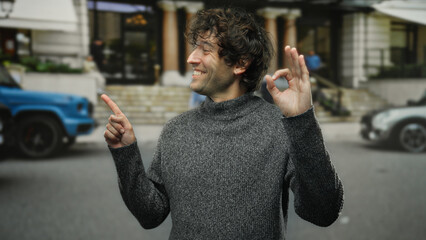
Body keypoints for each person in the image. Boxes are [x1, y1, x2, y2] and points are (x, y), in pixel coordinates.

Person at [102, 8, 343, 239]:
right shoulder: (175, 130)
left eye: (205, 49)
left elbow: (323, 212)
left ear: (240, 63)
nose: (190, 58)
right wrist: (125, 153)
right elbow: (150, 215)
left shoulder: (278, 127)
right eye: (195, 47)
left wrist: (303, 120)